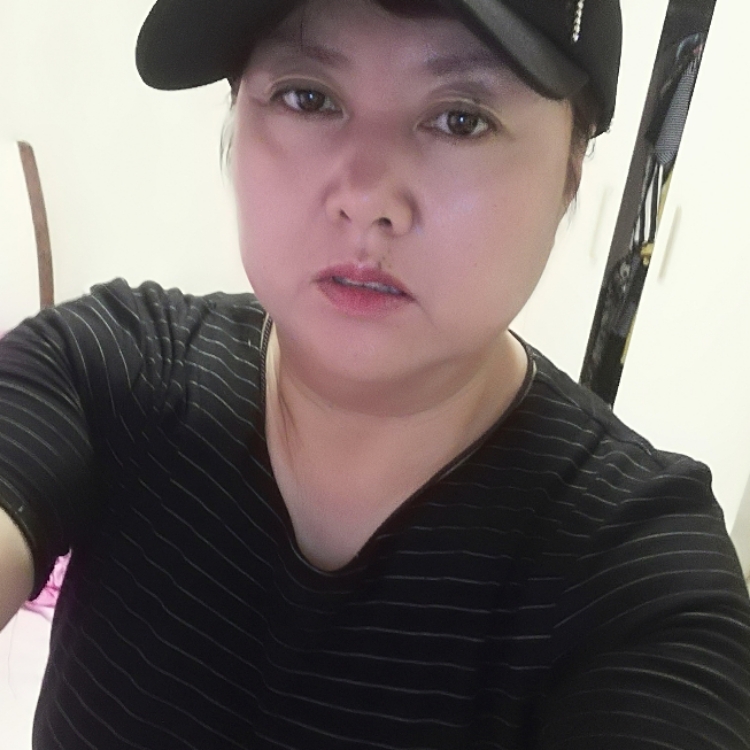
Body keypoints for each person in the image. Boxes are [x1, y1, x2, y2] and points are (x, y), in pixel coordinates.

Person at [0, 0, 748, 747]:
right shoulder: (110, 366)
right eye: (307, 97)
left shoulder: (636, 572)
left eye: (461, 119)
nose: (365, 198)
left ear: (570, 175)